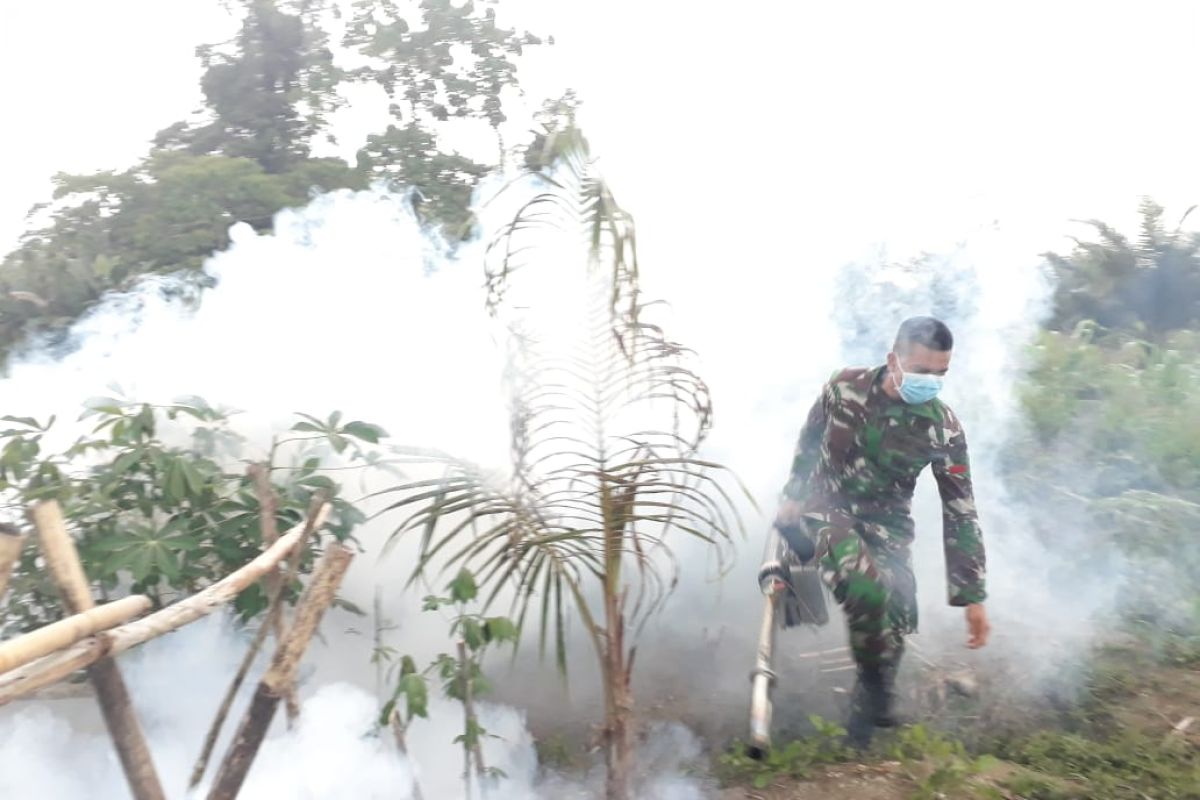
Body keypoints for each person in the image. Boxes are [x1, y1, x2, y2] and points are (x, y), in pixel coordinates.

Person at [768, 316, 991, 747]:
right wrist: (794, 493)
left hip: (887, 523)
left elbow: (960, 510)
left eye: (941, 373)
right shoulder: (843, 387)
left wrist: (973, 595)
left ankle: (863, 722)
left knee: (897, 616)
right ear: (894, 360)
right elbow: (811, 437)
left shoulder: (942, 427)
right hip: (825, 507)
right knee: (867, 591)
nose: (931, 381)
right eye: (923, 371)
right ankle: (877, 693)